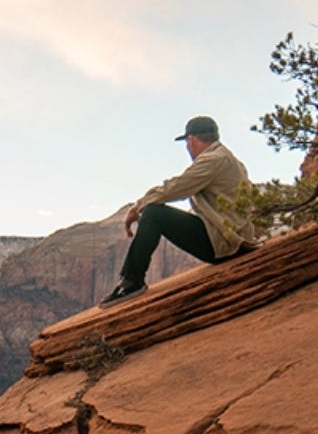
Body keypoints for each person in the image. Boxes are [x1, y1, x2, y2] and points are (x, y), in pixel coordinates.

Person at [104, 115, 259, 304]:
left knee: (154, 213)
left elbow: (176, 187)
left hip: (225, 244)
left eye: (187, 142)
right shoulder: (229, 159)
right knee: (154, 210)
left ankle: (132, 281)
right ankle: (131, 280)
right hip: (234, 238)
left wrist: (139, 206)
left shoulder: (212, 160)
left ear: (191, 140)